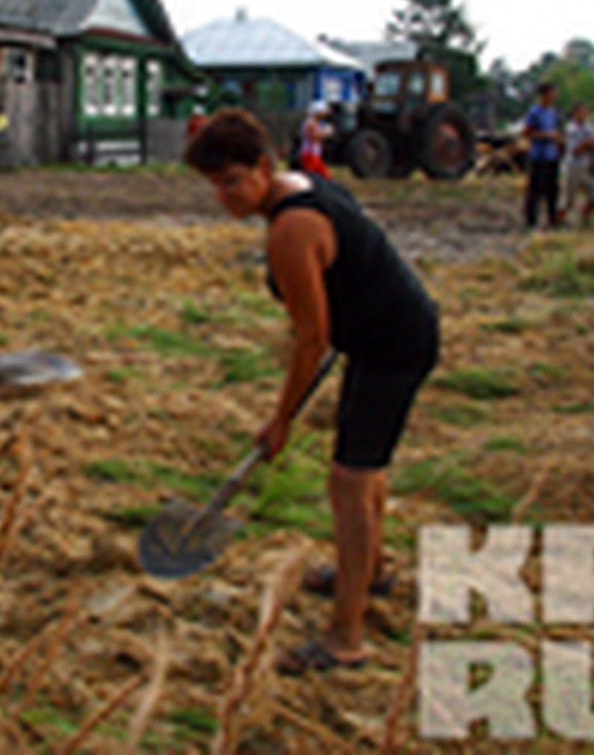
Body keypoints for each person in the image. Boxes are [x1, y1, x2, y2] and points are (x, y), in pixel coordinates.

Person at [183, 108, 438, 673]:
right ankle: (369, 572)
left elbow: (311, 338)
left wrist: (282, 420)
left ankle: (345, 637)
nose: (223, 197)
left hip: (392, 347)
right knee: (362, 470)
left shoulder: (291, 231)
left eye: (231, 181)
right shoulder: (303, 184)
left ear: (263, 166)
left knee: (348, 481)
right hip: (382, 336)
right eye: (213, 186)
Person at [521, 82, 563, 229]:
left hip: (551, 156)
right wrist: (545, 135)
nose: (554, 96)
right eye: (552, 93)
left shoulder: (553, 112)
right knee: (535, 191)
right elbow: (526, 133)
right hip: (538, 157)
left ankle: (552, 220)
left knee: (552, 190)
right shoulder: (535, 112)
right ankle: (531, 221)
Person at [560, 102, 594, 227]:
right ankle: (558, 222)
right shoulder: (571, 129)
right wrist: (587, 144)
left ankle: (584, 220)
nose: (584, 115)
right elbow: (575, 151)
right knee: (568, 201)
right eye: (581, 112)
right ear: (575, 113)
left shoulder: (589, 128)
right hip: (572, 166)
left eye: (586, 112)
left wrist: (590, 145)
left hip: (586, 166)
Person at [297, 101, 333, 179]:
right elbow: (314, 138)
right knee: (322, 178)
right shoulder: (311, 123)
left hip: (312, 155)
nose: (325, 114)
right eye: (323, 112)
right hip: (310, 155)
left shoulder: (314, 122)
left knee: (324, 178)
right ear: (317, 112)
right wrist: (325, 132)